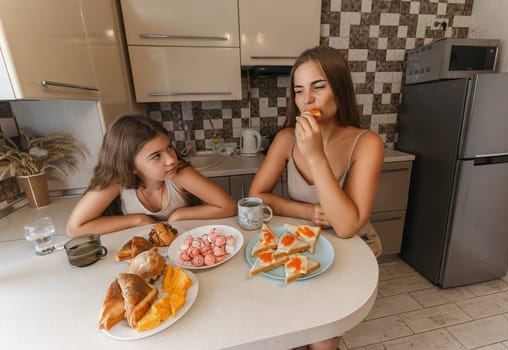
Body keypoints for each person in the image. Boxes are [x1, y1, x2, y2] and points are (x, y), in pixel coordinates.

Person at [249, 46, 384, 349]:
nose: (306, 100)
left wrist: (315, 155)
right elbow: (257, 194)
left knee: (321, 339)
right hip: (304, 246)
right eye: (299, 91)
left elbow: (347, 226)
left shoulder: (367, 144)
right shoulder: (286, 139)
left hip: (353, 252)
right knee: (289, 332)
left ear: (340, 87)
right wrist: (308, 212)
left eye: (318, 87)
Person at [67, 115, 236, 237]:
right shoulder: (117, 182)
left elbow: (229, 206)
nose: (171, 160)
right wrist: (140, 220)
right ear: (131, 166)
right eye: (156, 156)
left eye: (169, 147)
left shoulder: (179, 174)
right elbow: (75, 228)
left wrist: (178, 216)